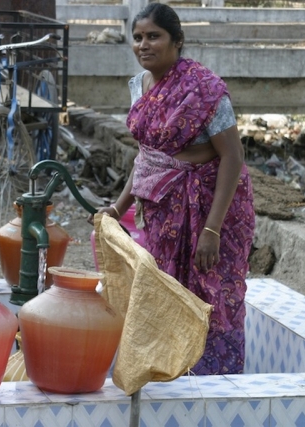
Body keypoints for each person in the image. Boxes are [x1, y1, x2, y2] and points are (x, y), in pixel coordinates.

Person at [92, 3, 255, 375]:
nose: (144, 45)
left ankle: (215, 382)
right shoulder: (139, 87)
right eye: (137, 38)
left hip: (213, 210)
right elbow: (148, 157)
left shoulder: (205, 90)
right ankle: (170, 376)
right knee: (165, 289)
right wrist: (117, 210)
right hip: (165, 213)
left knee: (214, 294)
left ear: (177, 41)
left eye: (154, 36)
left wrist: (212, 230)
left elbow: (233, 157)